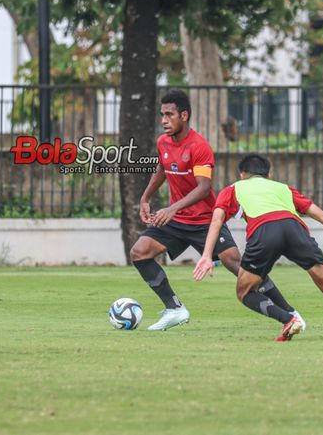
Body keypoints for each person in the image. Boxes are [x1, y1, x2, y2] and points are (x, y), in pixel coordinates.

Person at [130, 90, 305, 331]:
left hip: (204, 221)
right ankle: (174, 309)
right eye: (162, 115)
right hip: (177, 221)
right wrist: (146, 197)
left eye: (169, 115)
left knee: (241, 268)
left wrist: (171, 208)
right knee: (139, 252)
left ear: (184, 115)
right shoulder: (163, 142)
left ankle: (289, 312)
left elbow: (204, 188)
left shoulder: (199, 146)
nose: (164, 120)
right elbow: (162, 168)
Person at [193, 154, 323, 342]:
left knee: (244, 291)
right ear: (269, 174)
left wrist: (205, 255)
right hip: (295, 229)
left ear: (242, 174)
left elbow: (216, 221)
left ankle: (289, 319)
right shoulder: (283, 188)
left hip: (264, 231)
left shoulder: (233, 189)